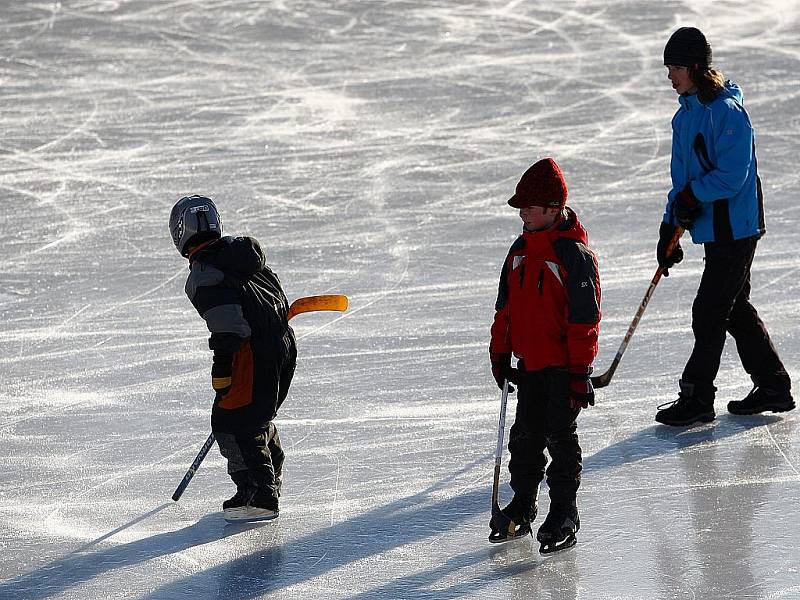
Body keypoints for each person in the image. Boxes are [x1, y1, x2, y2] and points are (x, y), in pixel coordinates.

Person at [655, 27, 794, 426]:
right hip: (715, 229)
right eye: (668, 67)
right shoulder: (685, 117)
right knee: (733, 308)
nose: (670, 75)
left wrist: (691, 198)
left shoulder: (727, 114)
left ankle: (697, 397)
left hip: (738, 227)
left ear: (697, 68)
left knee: (710, 310)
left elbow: (733, 176)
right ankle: (773, 385)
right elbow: (682, 183)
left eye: (676, 67)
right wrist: (669, 227)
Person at [488, 158, 601, 553]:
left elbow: (584, 321)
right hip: (529, 365)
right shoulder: (519, 250)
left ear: (553, 209)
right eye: (521, 207)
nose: (522, 214)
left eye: (530, 207)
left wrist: (579, 372)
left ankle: (565, 512)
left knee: (560, 439)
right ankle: (523, 502)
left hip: (562, 368)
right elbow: (505, 309)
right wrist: (500, 354)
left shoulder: (574, 256)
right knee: (524, 440)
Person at [169, 195, 297, 522]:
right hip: (282, 347)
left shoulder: (205, 273)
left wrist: (222, 369)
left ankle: (259, 494)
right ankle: (269, 478)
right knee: (256, 415)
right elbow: (274, 298)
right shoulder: (247, 257)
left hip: (250, 352)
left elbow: (229, 327)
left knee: (232, 420)